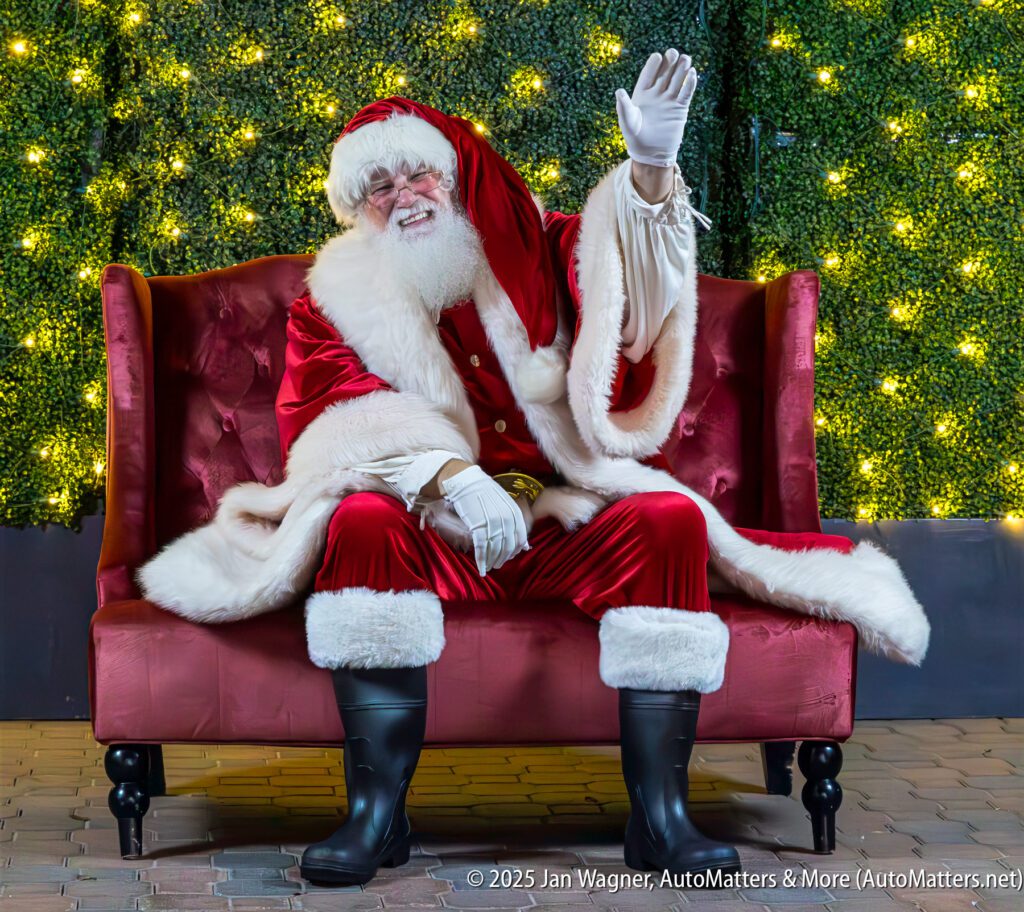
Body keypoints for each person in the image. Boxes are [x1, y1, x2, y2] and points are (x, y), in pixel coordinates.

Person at [138, 49, 929, 888]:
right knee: (357, 519)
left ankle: (660, 820)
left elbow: (642, 310)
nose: (404, 198)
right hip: (431, 532)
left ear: (450, 179)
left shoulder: (544, 252)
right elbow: (333, 420)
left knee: (666, 520)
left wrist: (652, 178)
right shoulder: (330, 300)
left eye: (418, 176)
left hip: (566, 521)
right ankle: (377, 815)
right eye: (379, 187)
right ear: (356, 209)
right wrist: (449, 478)